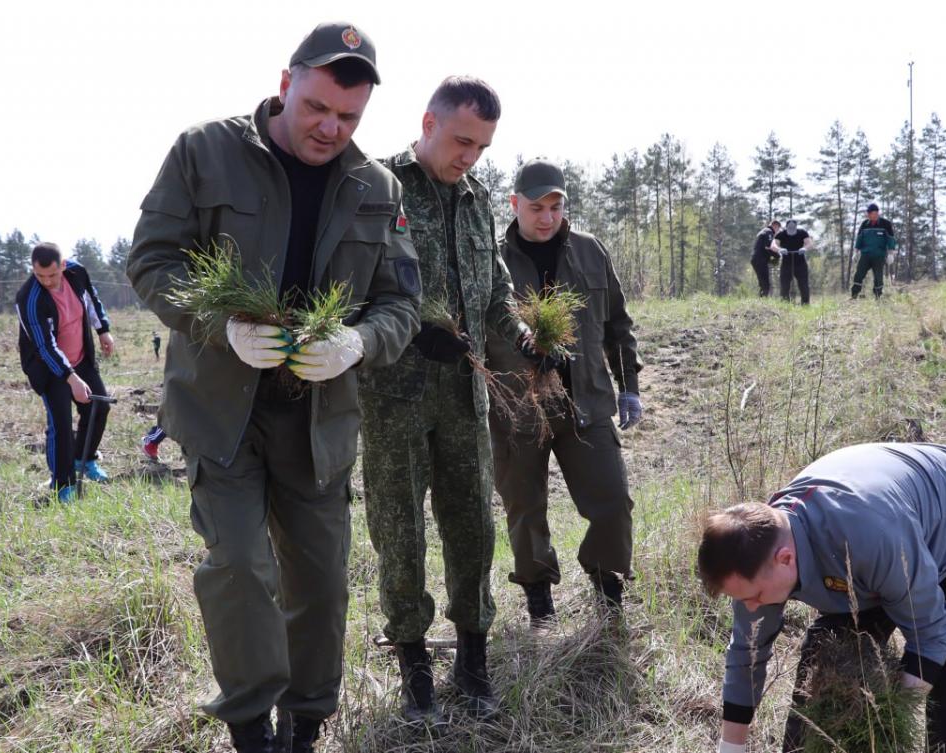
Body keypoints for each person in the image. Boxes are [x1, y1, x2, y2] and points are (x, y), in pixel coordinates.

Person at [126, 22, 420, 753]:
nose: (330, 128)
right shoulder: (205, 152)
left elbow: (401, 302)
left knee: (320, 581)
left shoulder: (377, 188)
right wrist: (220, 323)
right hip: (219, 408)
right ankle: (251, 728)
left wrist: (357, 342)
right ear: (286, 84)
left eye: (348, 116)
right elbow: (153, 259)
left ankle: (306, 723)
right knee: (239, 566)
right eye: (317, 106)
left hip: (318, 421)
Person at [358, 76, 535, 723]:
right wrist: (409, 333)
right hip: (393, 395)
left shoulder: (477, 199)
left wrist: (525, 337)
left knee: (473, 529)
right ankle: (415, 671)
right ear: (428, 123)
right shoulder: (376, 187)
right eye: (462, 140)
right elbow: (347, 285)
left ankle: (473, 660)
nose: (470, 156)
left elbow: (494, 292)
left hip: (464, 393)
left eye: (482, 146)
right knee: (399, 532)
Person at [697, 442, 946, 753]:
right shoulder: (753, 559)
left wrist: (887, 726)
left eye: (755, 596)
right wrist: (731, 748)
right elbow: (747, 656)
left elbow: (931, 636)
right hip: (886, 553)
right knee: (828, 655)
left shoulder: (869, 537)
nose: (750, 607)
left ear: (785, 559)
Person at [487, 158, 641, 626]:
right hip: (518, 409)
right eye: (536, 207)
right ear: (514, 204)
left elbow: (618, 324)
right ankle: (539, 602)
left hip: (586, 403)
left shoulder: (590, 251)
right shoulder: (492, 260)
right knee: (525, 509)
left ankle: (608, 589)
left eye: (555, 207)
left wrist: (629, 387)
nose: (547, 217)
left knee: (613, 501)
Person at [15, 242, 114, 502]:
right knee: (60, 423)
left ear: (63, 265)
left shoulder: (76, 273)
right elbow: (44, 346)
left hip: (80, 357)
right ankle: (63, 485)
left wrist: (102, 330)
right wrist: (71, 378)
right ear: (33, 270)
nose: (47, 281)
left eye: (52, 274)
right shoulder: (29, 298)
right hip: (49, 367)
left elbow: (91, 298)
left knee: (98, 407)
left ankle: (84, 459)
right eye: (40, 275)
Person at [851, 202, 898, 299]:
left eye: (875, 213)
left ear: (877, 213)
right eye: (870, 214)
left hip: (879, 255)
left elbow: (891, 240)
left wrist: (891, 254)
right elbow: (859, 239)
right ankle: (854, 295)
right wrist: (855, 252)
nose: (873, 215)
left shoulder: (886, 224)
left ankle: (878, 296)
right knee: (859, 274)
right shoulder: (864, 224)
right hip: (865, 255)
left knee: (878, 276)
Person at [774, 219, 812, 305]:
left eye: (793, 228)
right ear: (786, 227)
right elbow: (774, 245)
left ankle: (805, 304)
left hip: (800, 263)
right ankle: (785, 304)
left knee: (803, 284)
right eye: (789, 228)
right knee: (784, 285)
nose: (791, 229)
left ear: (796, 227)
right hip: (786, 264)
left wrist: (805, 248)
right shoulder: (781, 234)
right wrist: (779, 249)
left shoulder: (802, 233)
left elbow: (809, 243)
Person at [749, 220, 782, 297]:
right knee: (765, 284)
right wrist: (778, 256)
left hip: (757, 259)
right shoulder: (769, 232)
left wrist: (772, 258)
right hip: (760, 260)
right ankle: (763, 300)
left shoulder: (764, 231)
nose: (778, 232)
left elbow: (766, 247)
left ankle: (762, 300)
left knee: (763, 282)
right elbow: (768, 247)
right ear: (775, 226)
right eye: (778, 229)